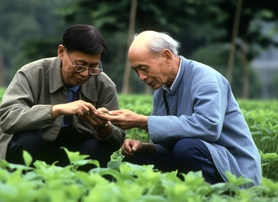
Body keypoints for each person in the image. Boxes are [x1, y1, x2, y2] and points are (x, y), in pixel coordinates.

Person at [95, 30, 261, 186]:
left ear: (167, 56)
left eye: (144, 68)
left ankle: (212, 195)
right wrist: (144, 147)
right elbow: (168, 145)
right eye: (136, 70)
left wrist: (144, 122)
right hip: (191, 154)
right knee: (136, 161)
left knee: (186, 147)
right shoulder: (161, 88)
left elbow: (209, 127)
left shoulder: (206, 79)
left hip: (233, 167)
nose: (141, 77)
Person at [0, 24, 125, 169]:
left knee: (96, 147)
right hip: (36, 149)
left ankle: (86, 190)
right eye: (79, 65)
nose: (85, 73)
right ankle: (20, 187)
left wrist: (102, 126)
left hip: (72, 156)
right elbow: (7, 117)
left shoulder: (104, 85)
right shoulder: (31, 73)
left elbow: (117, 139)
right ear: (61, 52)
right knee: (28, 139)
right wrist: (56, 110)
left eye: (93, 66)